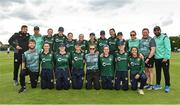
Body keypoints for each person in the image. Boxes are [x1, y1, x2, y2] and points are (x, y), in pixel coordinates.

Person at [153, 26, 171, 93]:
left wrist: (166, 57)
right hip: (157, 58)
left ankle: (167, 85)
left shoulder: (164, 37)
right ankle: (158, 84)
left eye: (158, 30)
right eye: (155, 30)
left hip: (164, 58)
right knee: (158, 72)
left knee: (166, 73)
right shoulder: (154, 38)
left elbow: (168, 48)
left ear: (160, 30)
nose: (156, 31)